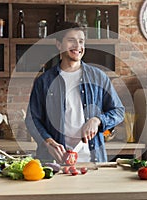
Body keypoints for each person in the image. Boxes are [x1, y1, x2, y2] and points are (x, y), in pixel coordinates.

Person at [26, 21, 125, 163]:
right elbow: (32, 119)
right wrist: (47, 142)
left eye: (81, 41)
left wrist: (97, 120)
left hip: (92, 161)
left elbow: (118, 111)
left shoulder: (99, 77)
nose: (78, 46)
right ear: (59, 45)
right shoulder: (44, 81)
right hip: (55, 162)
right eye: (71, 41)